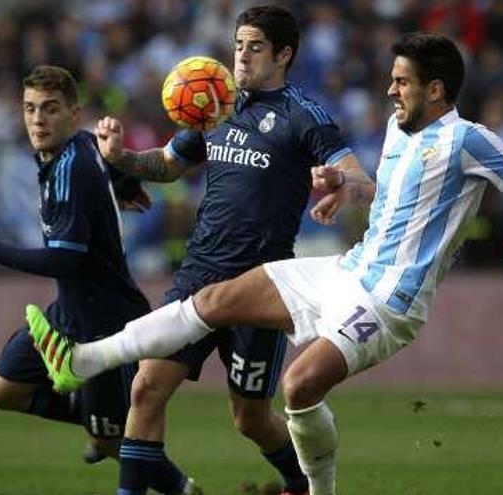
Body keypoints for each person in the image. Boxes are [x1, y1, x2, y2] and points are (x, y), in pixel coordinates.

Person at [29, 32, 503, 495]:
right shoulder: (400, 132)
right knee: (212, 301)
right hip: (348, 270)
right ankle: (85, 360)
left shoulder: (466, 139)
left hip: (390, 300)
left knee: (298, 387)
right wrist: (340, 187)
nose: (390, 90)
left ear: (436, 89)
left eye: (401, 81)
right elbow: (386, 195)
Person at [83, 5, 367, 495]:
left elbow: (361, 176)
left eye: (254, 47)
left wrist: (342, 183)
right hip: (200, 274)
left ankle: (300, 484)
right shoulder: (216, 104)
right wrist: (121, 158)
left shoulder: (303, 115)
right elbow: (169, 164)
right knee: (146, 388)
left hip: (261, 285)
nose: (241, 57)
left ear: (284, 54)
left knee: (250, 417)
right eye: (238, 46)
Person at [0, 65, 199, 494]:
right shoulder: (75, 149)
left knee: (114, 439)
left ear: (73, 113)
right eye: (29, 109)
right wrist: (118, 185)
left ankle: (182, 489)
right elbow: (98, 165)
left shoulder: (71, 167)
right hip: (67, 312)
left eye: (50, 109)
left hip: (104, 323)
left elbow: (63, 261)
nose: (38, 119)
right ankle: (91, 412)